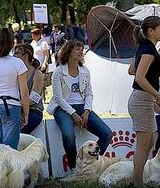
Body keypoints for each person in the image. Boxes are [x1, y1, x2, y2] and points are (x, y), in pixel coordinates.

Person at [47, 40, 112, 171]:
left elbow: (89, 94)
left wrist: (87, 110)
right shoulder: (58, 72)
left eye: (81, 49)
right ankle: (74, 168)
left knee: (107, 134)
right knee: (69, 136)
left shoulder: (85, 71)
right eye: (77, 49)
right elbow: (59, 98)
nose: (80, 51)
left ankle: (91, 165)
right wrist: (73, 113)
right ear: (68, 51)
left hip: (82, 107)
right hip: (62, 108)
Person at [127, 16, 160, 188]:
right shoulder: (149, 50)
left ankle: (137, 179)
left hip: (143, 100)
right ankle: (136, 182)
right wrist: (157, 94)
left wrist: (157, 73)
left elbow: (132, 70)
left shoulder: (145, 48)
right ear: (151, 31)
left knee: (150, 141)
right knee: (143, 144)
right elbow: (138, 77)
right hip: (142, 100)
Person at [13, 44, 45, 133]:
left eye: (17, 54)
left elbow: (34, 99)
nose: (14, 56)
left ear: (25, 56)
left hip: (33, 111)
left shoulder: (37, 74)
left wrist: (16, 106)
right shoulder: (15, 73)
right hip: (17, 109)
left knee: (17, 132)